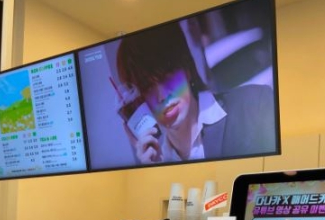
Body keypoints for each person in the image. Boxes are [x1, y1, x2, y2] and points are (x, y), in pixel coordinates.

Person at [115, 22, 276, 164]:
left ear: (186, 69)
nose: (162, 96)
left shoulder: (255, 105)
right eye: (147, 87)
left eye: (166, 77)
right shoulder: (159, 160)